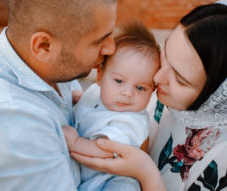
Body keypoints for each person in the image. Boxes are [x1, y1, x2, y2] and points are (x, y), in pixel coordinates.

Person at [0, 0, 141, 190]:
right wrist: (138, 173)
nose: (111, 48)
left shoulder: (51, 64)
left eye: (110, 34)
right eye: (99, 40)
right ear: (43, 46)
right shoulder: (7, 126)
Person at [69, 0, 227, 191]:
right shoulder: (159, 97)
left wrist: (146, 174)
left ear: (216, 97)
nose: (157, 78)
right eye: (165, 56)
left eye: (180, 79)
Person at [63, 21, 160, 191]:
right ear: (100, 76)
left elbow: (107, 150)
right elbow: (86, 99)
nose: (127, 93)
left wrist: (76, 143)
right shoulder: (96, 92)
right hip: (88, 175)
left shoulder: (132, 121)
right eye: (119, 81)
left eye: (140, 88)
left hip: (114, 178)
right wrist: (73, 98)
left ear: (152, 90)